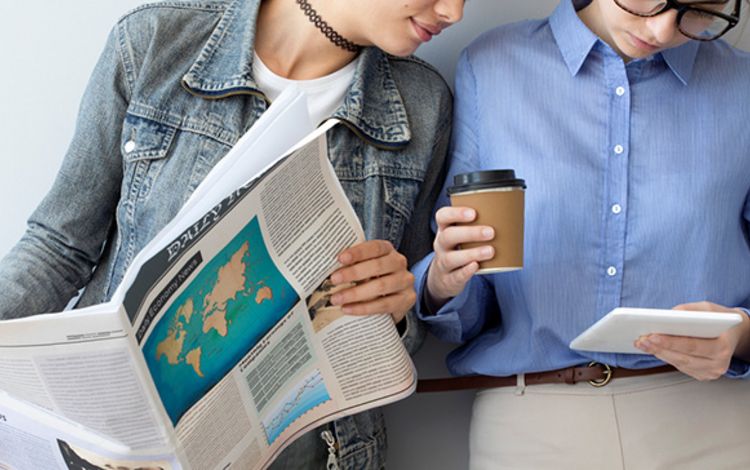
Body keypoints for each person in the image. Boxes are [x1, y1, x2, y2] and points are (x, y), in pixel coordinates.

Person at [0, 0, 464, 468]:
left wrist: (397, 309)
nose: (455, 13)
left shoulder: (423, 104)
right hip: (114, 447)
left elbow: (404, 327)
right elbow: (58, 247)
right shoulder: (156, 42)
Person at [414, 0, 750, 468]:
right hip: (531, 424)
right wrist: (442, 283)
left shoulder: (744, 88)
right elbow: (468, 305)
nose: (661, 29)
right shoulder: (491, 65)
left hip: (710, 418)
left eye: (697, 10)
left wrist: (743, 336)